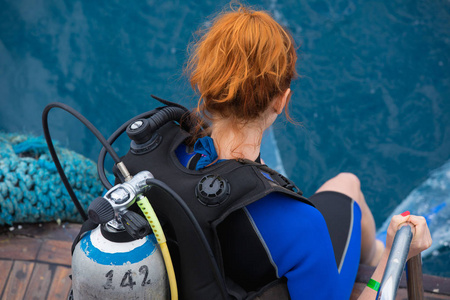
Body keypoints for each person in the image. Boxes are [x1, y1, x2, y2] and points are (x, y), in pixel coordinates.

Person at [174, 4, 432, 299]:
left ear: (206, 86)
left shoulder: (169, 157)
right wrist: (394, 257)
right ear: (281, 101)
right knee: (348, 184)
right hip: (281, 249)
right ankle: (375, 255)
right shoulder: (299, 224)